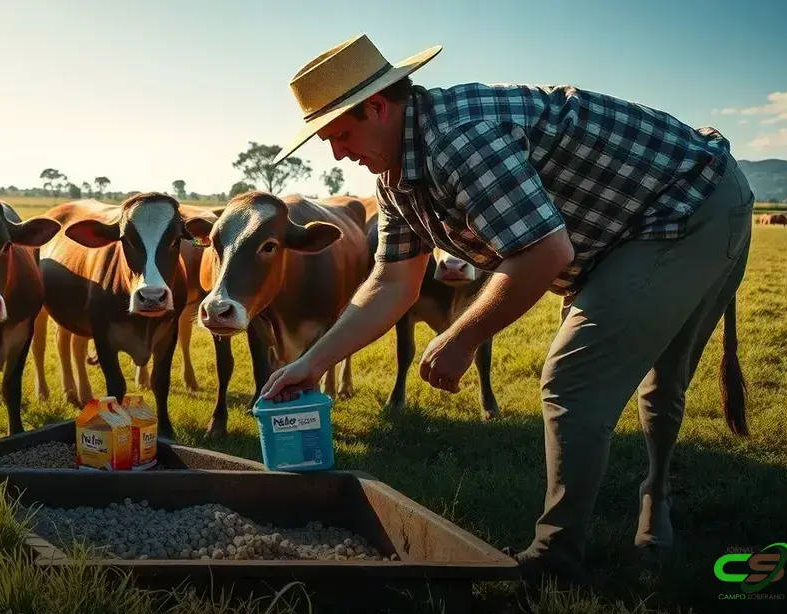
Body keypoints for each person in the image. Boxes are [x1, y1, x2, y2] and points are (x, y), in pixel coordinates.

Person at [259, 34, 753, 585]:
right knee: (598, 377)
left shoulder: (461, 139)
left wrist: (462, 337)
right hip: (611, 237)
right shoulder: (395, 177)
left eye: (340, 135)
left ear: (377, 107)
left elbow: (545, 252)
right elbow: (392, 282)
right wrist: (313, 362)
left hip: (692, 203)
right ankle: (628, 512)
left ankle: (562, 556)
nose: (337, 153)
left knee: (583, 377)